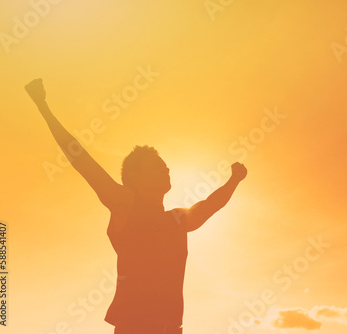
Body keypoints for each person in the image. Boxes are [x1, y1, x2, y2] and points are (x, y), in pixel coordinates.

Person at [25, 78, 247, 334]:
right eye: (156, 166)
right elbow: (81, 160)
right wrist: (42, 106)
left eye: (165, 165)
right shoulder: (125, 206)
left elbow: (210, 205)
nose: (166, 168)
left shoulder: (177, 220)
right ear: (135, 177)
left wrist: (234, 180)